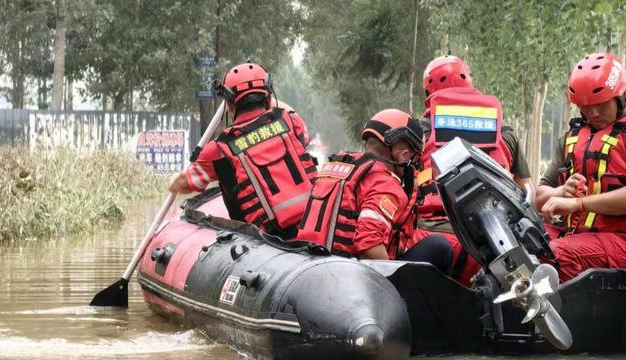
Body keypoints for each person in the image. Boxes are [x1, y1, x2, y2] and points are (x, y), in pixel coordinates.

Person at [410, 55, 532, 284]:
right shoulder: (505, 132)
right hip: (495, 240)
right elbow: (527, 193)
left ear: (428, 93)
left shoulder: (416, 133)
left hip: (432, 236)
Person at [168, 61, 317, 239]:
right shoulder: (292, 122)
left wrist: (172, 181)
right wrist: (262, 90)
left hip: (270, 243)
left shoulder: (218, 150)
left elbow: (182, 185)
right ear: (268, 97)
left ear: (230, 106)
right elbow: (297, 125)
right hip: (315, 228)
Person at [297, 108, 452, 268]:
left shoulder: (341, 167)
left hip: (313, 264)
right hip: (351, 274)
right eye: (414, 158)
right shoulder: (385, 182)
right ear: (404, 155)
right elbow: (369, 245)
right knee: (439, 247)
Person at [535, 52, 626, 281]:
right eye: (585, 106)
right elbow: (538, 198)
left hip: (619, 240)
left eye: (601, 104)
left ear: (621, 97)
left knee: (554, 255)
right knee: (518, 247)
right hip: (574, 235)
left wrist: (577, 203)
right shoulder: (570, 139)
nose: (592, 113)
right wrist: (561, 191)